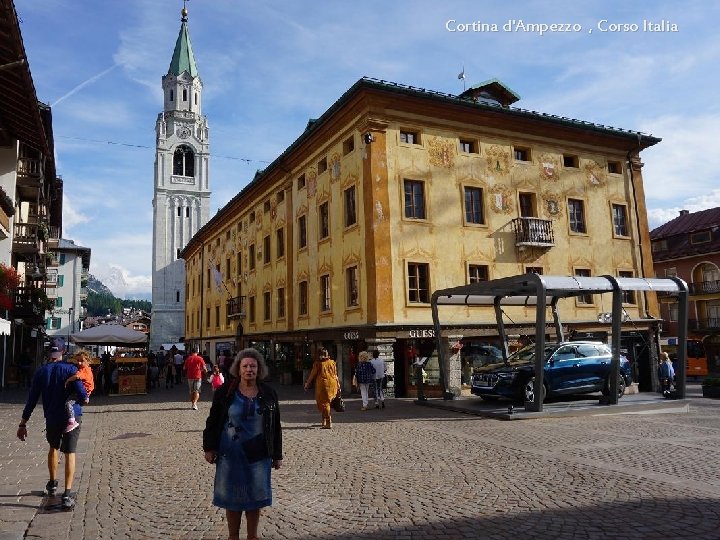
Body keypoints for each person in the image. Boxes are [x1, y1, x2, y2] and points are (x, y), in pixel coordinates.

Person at [203, 348, 283, 540]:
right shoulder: (225, 392)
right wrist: (209, 447)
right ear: (238, 369)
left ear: (259, 369)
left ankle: (252, 536)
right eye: (245, 366)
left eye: (253, 366)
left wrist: (277, 454)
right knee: (232, 498)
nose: (249, 369)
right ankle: (233, 537)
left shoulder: (268, 393)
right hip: (230, 454)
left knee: (255, 497)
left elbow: (275, 425)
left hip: (258, 454)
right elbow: (213, 420)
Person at [17, 337, 88, 510]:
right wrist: (81, 398)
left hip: (52, 417)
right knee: (70, 452)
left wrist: (23, 423)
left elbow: (32, 400)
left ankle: (52, 483)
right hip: (73, 416)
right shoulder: (72, 369)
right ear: (63, 352)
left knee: (53, 447)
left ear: (50, 353)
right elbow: (82, 395)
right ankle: (67, 494)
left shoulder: (41, 372)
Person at [303, 348, 339, 428]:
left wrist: (307, 383)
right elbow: (335, 374)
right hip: (333, 383)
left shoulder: (318, 363)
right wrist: (338, 385)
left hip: (323, 385)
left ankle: (328, 422)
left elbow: (312, 374)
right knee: (326, 402)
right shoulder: (332, 362)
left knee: (324, 403)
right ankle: (324, 421)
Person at [64, 349, 95, 433]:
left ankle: (72, 421)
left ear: (88, 361)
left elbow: (77, 376)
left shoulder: (84, 370)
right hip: (86, 391)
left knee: (68, 403)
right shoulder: (87, 368)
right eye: (77, 360)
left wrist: (68, 380)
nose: (79, 363)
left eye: (82, 361)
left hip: (84, 391)